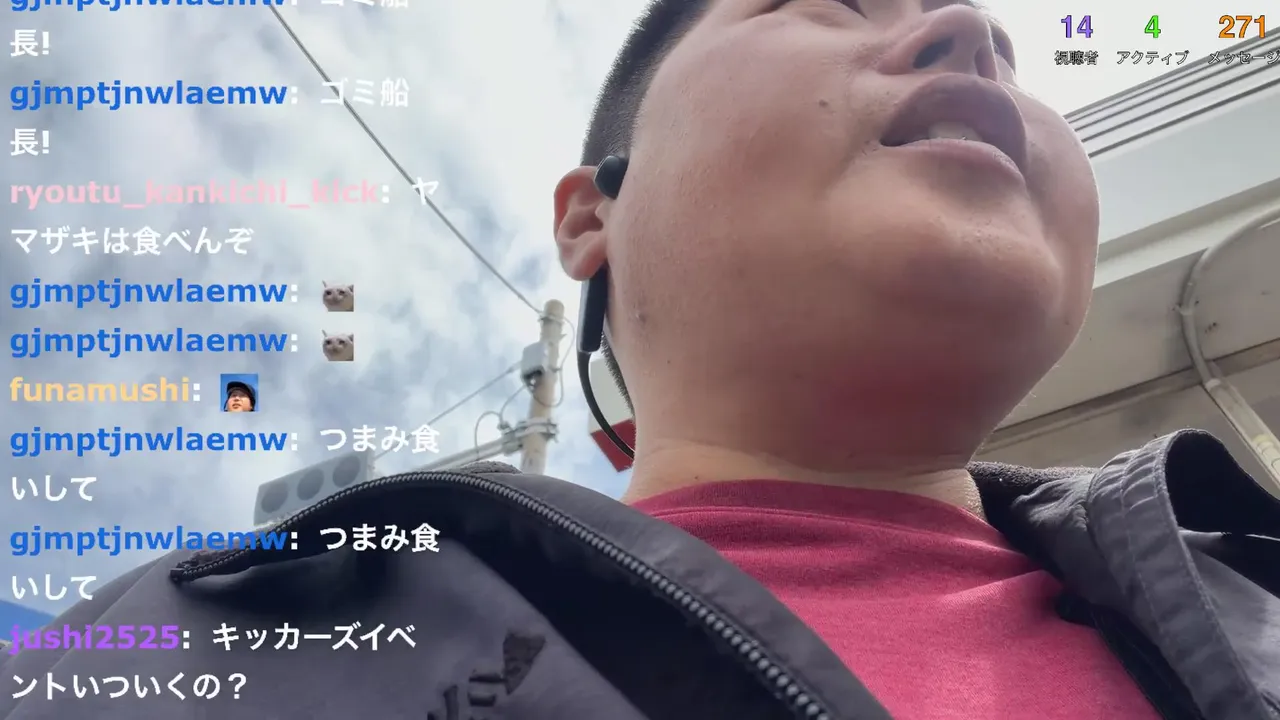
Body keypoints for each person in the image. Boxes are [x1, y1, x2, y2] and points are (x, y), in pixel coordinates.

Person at [3, 2, 1277, 719]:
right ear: (589, 214)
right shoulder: (185, 647)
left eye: (1007, 48)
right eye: (827, 1)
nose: (969, 33)